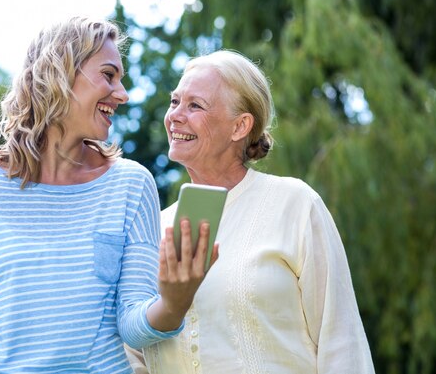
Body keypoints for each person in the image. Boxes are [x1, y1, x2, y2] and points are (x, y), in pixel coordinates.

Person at [0, 16, 215, 374]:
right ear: (59, 72)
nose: (121, 94)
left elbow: (133, 327)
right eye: (109, 75)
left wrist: (174, 301)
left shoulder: (131, 185)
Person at [129, 49, 375, 373]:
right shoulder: (149, 230)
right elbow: (133, 358)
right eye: (175, 102)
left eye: (195, 105)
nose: (175, 115)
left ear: (240, 126)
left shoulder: (296, 204)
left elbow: (342, 344)